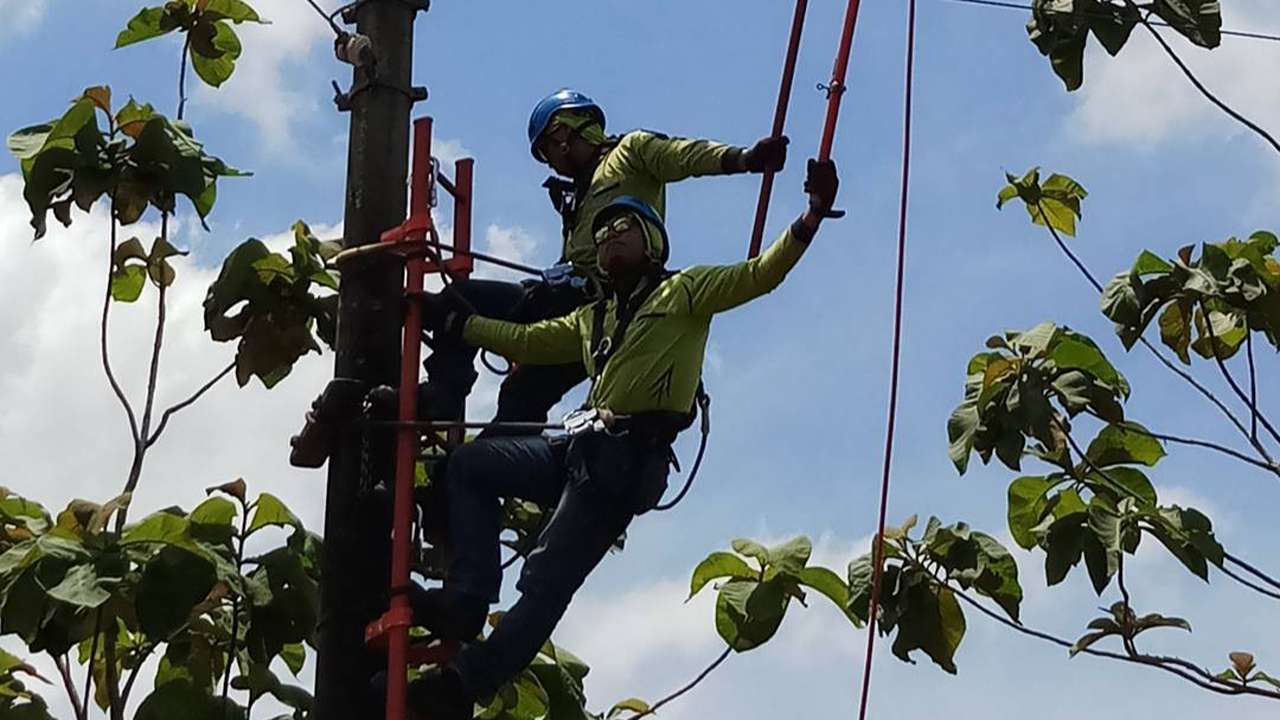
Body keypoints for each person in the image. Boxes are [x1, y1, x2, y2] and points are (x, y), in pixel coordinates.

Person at [405, 157, 840, 718]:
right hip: (579, 449)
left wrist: (811, 215)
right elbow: (530, 342)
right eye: (602, 231)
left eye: (624, 228)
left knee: (545, 578)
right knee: (471, 466)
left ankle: (465, 683)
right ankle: (466, 600)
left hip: (624, 461)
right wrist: (462, 324)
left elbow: (761, 273)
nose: (610, 237)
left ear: (653, 242)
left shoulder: (686, 292)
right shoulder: (595, 317)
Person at [416, 88, 790, 427]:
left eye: (547, 151)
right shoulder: (576, 195)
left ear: (565, 131)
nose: (551, 163)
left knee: (479, 327)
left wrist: (744, 159)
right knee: (510, 379)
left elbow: (683, 156)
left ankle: (450, 410)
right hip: (576, 311)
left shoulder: (631, 153)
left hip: (603, 312)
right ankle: (463, 458)